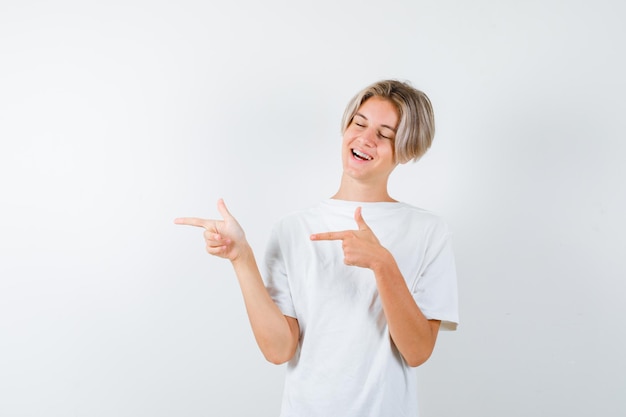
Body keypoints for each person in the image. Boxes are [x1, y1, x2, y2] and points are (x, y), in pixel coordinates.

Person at [175, 79, 459, 416]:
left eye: (384, 134)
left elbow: (417, 352)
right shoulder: (292, 229)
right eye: (359, 123)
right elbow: (279, 350)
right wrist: (241, 258)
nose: (365, 139)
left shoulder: (428, 231)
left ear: (408, 148)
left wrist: (383, 264)